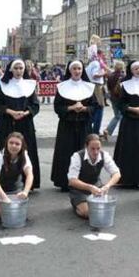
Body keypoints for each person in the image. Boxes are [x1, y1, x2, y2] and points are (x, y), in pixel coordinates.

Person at [51, 60, 97, 191]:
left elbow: (95, 106)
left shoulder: (89, 87)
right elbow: (57, 107)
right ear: (69, 71)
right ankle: (65, 182)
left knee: (84, 153)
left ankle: (84, 182)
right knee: (66, 153)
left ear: (82, 70)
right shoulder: (62, 87)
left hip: (84, 125)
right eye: (74, 69)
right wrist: (70, 108)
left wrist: (84, 109)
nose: (77, 71)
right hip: (67, 126)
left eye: (79, 69)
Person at [0, 59, 41, 189]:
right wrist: (10, 112)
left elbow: (35, 105)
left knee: (27, 152)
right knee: (6, 152)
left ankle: (28, 183)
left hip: (26, 124)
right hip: (7, 124)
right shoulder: (3, 86)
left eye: (21, 68)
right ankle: (4, 183)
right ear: (11, 70)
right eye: (16, 68)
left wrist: (26, 113)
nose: (19, 71)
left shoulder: (30, 85)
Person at [113, 60, 139, 188]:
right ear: (131, 70)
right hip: (129, 123)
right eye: (136, 69)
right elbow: (120, 104)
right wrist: (132, 109)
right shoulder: (124, 85)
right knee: (128, 150)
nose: (138, 71)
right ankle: (127, 179)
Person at [68, 134, 121, 218]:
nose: (96, 152)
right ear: (86, 146)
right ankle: (76, 204)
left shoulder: (104, 155)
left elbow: (117, 173)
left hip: (97, 187)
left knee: (102, 211)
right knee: (87, 213)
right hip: (79, 190)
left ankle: (90, 203)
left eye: (98, 148)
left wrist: (107, 186)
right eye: (92, 149)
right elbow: (72, 180)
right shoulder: (77, 156)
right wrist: (90, 187)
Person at [0, 132, 34, 219]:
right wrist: (4, 197)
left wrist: (25, 192)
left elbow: (30, 174)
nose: (14, 146)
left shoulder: (24, 155)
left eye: (17, 144)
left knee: (18, 212)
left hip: (15, 188)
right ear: (7, 143)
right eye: (11, 143)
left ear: (21, 146)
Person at [103, 60, 125, 139]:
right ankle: (109, 130)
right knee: (119, 116)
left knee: (117, 115)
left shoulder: (110, 75)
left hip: (113, 98)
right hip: (120, 98)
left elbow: (108, 87)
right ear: (122, 67)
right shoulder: (123, 76)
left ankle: (109, 131)